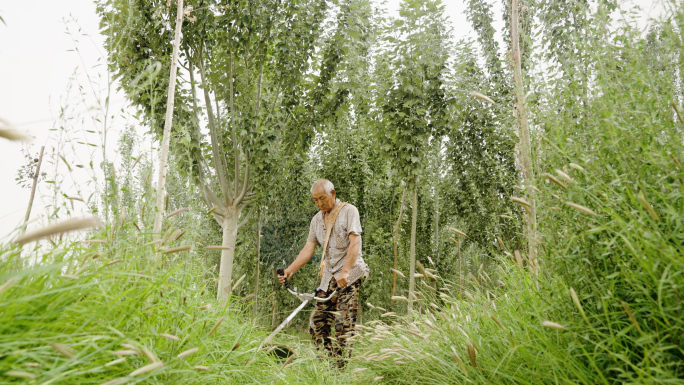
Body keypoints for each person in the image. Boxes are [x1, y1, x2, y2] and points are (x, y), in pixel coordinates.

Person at [278, 179, 370, 369]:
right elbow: (308, 249)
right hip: (329, 277)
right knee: (316, 324)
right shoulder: (316, 220)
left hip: (349, 275)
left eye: (322, 198)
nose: (319, 203)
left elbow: (355, 243)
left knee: (343, 326)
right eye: (315, 200)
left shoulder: (349, 211)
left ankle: (340, 371)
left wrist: (345, 272)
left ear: (333, 193)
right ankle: (329, 366)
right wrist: (289, 271)